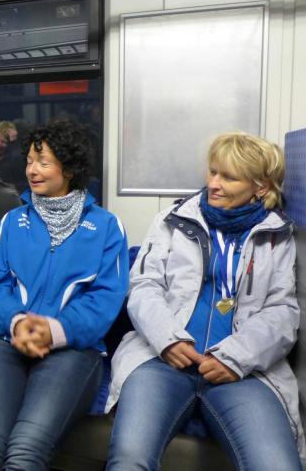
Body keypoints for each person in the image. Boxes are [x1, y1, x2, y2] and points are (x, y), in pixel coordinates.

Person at [106, 131, 305, 470]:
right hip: (162, 362)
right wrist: (168, 340)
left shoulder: (277, 236)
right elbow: (143, 286)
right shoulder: (172, 221)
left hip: (242, 372)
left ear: (260, 187)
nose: (213, 183)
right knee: (129, 458)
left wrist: (236, 358)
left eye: (228, 177)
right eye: (213, 171)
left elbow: (282, 311)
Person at [0, 120, 128, 470]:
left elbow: (104, 300)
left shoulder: (105, 227)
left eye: (43, 162)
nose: (31, 170)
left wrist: (53, 330)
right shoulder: (13, 222)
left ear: (68, 168)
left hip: (72, 349)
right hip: (6, 340)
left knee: (25, 452)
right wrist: (17, 322)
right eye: (29, 161)